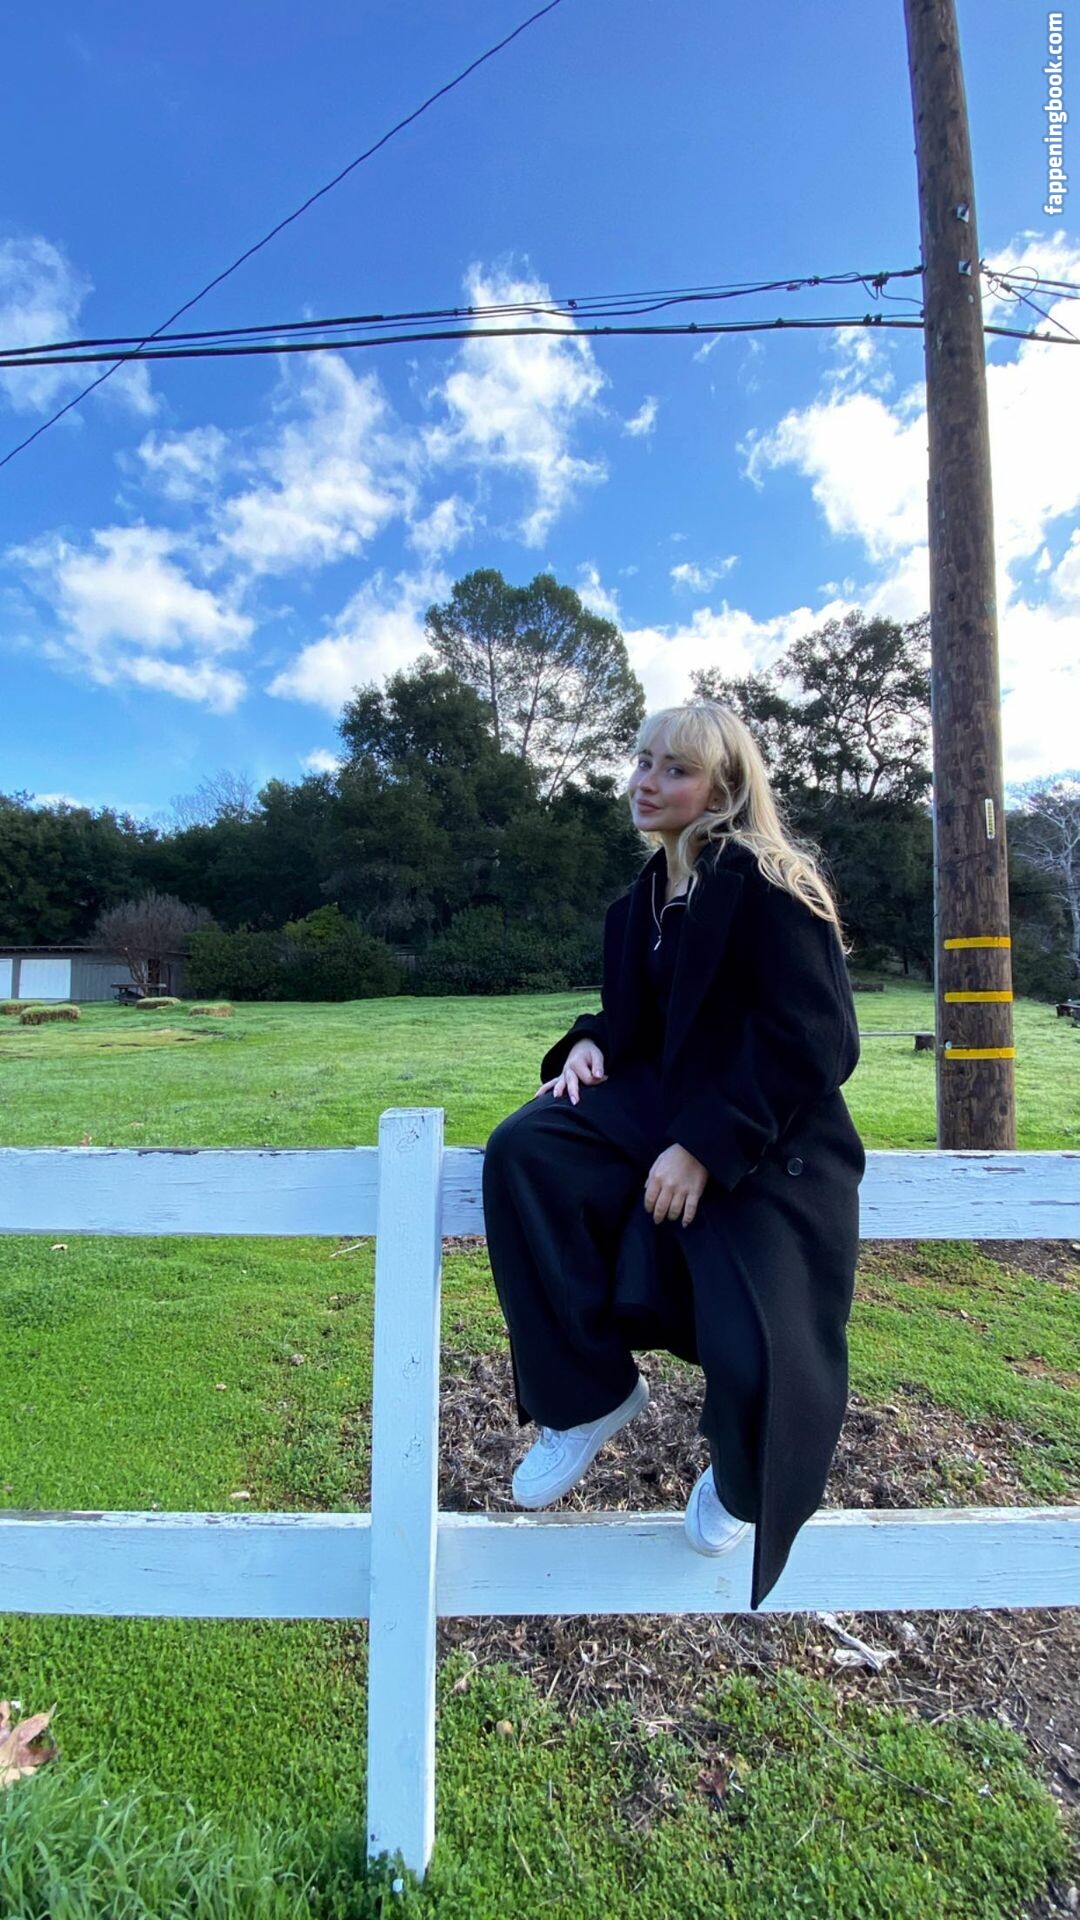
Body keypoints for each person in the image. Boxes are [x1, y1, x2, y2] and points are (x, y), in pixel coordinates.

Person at [481, 700, 865, 1609]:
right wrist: (589, 1040)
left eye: (675, 769)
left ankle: (745, 1480)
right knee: (527, 1150)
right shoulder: (639, 902)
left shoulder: (772, 882)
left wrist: (703, 1145)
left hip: (770, 1131)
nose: (646, 782)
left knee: (757, 1331)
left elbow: (819, 1039)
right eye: (643, 761)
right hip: (667, 1103)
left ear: (723, 790)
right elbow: (644, 1018)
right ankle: (586, 1396)